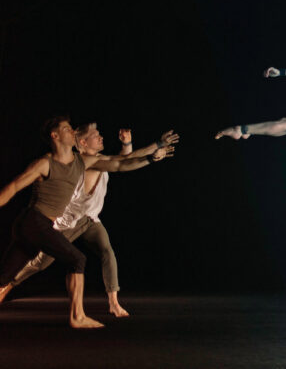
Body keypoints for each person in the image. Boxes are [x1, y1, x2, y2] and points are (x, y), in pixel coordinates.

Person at [0, 116, 170, 328]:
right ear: (55, 136)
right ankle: (77, 316)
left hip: (55, 223)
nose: (71, 131)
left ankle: (6, 287)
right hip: (36, 222)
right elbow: (14, 186)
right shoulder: (45, 163)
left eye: (72, 128)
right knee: (73, 259)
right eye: (66, 129)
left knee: (4, 275)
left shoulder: (81, 161)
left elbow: (119, 163)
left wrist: (154, 154)